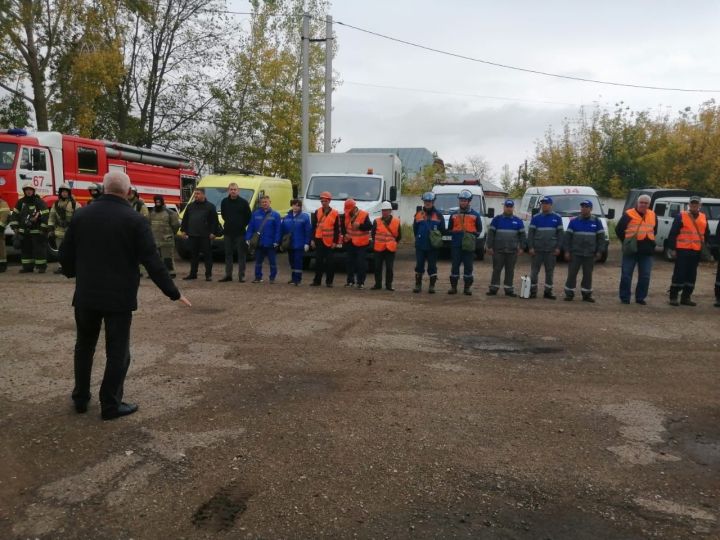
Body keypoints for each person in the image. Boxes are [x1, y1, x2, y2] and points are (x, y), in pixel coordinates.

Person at [59, 170, 191, 420]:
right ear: (128, 192)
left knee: (84, 347)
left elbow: (66, 253)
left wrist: (72, 273)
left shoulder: (82, 215)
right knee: (117, 351)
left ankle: (80, 398)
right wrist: (173, 293)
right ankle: (110, 404)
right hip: (118, 299)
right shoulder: (135, 220)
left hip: (86, 296)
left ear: (103, 188)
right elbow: (152, 261)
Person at [615, 194, 657, 305]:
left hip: (647, 251)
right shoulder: (628, 214)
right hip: (631, 250)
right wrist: (627, 241)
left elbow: (654, 230)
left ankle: (640, 298)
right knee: (626, 275)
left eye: (646, 203)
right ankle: (625, 297)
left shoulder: (653, 215)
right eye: (641, 202)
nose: (643, 204)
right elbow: (619, 229)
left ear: (649, 204)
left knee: (645, 276)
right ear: (637, 203)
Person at [668, 195, 709, 306]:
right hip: (682, 250)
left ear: (700, 205)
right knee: (679, 273)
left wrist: (706, 247)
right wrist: (672, 249)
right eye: (692, 203)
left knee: (692, 274)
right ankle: (673, 296)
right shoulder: (680, 216)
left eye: (696, 203)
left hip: (696, 250)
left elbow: (706, 234)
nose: (694, 205)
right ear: (689, 204)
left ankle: (686, 297)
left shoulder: (704, 217)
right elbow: (673, 233)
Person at [563, 200, 607, 302]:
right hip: (575, 253)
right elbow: (567, 238)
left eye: (586, 207)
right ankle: (569, 294)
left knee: (588, 275)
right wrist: (567, 251)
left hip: (590, 254)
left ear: (591, 209)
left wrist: (600, 251)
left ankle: (587, 295)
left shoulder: (596, 221)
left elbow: (601, 238)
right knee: (572, 274)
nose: (584, 208)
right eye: (582, 206)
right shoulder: (574, 221)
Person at [486, 199, 526, 297]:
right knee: (496, 270)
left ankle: (509, 290)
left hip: (512, 251)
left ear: (513, 208)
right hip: (498, 250)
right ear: (504, 207)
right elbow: (490, 235)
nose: (508, 208)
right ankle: (493, 289)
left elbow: (522, 236)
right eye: (507, 206)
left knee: (510, 271)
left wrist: (522, 248)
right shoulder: (496, 220)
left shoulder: (518, 221)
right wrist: (489, 246)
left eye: (510, 206)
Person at [527, 196, 563, 299]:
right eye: (542, 203)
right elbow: (530, 234)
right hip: (537, 250)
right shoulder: (536, 218)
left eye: (546, 203)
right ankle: (532, 292)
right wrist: (530, 247)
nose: (544, 205)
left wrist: (558, 248)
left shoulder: (557, 218)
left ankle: (548, 292)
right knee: (534, 272)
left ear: (551, 205)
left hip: (551, 250)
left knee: (549, 272)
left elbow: (560, 235)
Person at [447, 189, 482, 295]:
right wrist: (456, 234)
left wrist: (471, 236)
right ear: (459, 201)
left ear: (469, 201)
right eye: (461, 200)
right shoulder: (453, 214)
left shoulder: (476, 215)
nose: (463, 202)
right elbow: (449, 229)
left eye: (465, 200)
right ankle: (454, 288)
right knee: (455, 266)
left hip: (469, 245)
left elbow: (479, 230)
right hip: (456, 245)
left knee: (468, 266)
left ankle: (467, 288)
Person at [180, 187, 219, 281]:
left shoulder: (210, 206)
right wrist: (183, 230)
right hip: (193, 235)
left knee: (207, 256)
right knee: (193, 256)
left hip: (205, 235)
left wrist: (213, 233)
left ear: (203, 195)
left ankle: (208, 275)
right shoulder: (190, 206)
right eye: (195, 194)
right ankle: (193, 274)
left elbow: (214, 221)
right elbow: (185, 219)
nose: (196, 196)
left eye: (198, 194)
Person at [9, 185, 49, 273]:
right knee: (26, 250)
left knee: (39, 250)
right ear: (24, 191)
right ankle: (27, 267)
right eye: (27, 190)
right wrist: (15, 227)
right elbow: (14, 215)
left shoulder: (39, 202)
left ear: (33, 191)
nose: (28, 191)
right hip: (24, 231)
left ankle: (41, 267)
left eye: (30, 190)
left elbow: (46, 214)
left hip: (37, 231)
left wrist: (43, 228)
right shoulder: (21, 202)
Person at [412, 192, 445, 293]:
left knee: (432, 266)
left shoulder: (439, 215)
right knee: (419, 265)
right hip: (420, 245)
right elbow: (415, 229)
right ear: (424, 202)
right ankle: (418, 285)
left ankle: (432, 286)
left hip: (433, 246)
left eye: (429, 201)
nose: (427, 203)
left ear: (433, 202)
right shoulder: (418, 214)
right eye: (426, 201)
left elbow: (442, 230)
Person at [219, 182, 252, 282]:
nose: (233, 191)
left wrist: (241, 225)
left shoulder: (244, 202)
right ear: (228, 190)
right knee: (228, 254)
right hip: (228, 232)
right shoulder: (224, 202)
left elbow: (248, 217)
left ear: (238, 191)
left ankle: (241, 276)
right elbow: (224, 215)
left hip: (240, 233)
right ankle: (228, 275)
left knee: (241, 255)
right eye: (231, 189)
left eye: (235, 189)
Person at [245, 195, 281, 283]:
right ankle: (258, 277)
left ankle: (272, 278)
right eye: (263, 202)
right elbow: (251, 227)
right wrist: (248, 238)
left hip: (271, 243)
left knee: (272, 262)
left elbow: (278, 229)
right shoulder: (255, 214)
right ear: (260, 203)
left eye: (266, 202)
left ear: (270, 202)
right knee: (258, 262)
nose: (264, 203)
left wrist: (277, 241)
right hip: (259, 242)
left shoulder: (276, 215)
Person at [310, 191, 340, 287]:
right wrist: (312, 240)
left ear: (329, 201)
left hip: (330, 242)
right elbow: (314, 227)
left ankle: (329, 282)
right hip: (319, 240)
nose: (323, 203)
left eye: (325, 201)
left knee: (330, 263)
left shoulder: (335, 213)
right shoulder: (317, 211)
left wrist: (335, 242)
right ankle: (317, 281)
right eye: (322, 201)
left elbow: (337, 230)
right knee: (318, 261)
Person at [48, 183, 79, 274]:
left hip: (70, 231)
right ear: (60, 193)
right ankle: (61, 267)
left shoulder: (75, 204)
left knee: (72, 250)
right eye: (62, 192)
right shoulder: (56, 204)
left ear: (69, 193)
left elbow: (79, 217)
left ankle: (73, 266)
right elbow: (51, 217)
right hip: (59, 232)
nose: (64, 193)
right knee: (60, 251)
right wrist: (50, 229)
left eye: (66, 192)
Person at [342, 198, 372, 288]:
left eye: (349, 209)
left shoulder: (364, 214)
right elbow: (343, 227)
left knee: (361, 263)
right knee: (349, 262)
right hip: (350, 242)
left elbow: (369, 226)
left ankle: (360, 282)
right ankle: (350, 281)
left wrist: (360, 226)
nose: (348, 212)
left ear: (354, 207)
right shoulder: (345, 215)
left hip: (361, 243)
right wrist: (344, 234)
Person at [371, 201, 401, 291]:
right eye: (383, 210)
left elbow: (399, 236)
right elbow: (373, 234)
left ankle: (389, 285)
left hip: (390, 249)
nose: (384, 212)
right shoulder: (376, 221)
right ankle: (378, 284)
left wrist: (393, 243)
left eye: (386, 210)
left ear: (390, 211)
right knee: (377, 267)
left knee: (389, 268)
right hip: (379, 248)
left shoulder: (396, 221)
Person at [280, 199, 312, 286]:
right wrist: (281, 243)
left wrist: (306, 243)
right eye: (294, 205)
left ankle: (298, 279)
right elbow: (282, 231)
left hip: (299, 244)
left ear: (300, 207)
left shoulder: (305, 217)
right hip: (290, 244)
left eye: (297, 205)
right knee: (291, 261)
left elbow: (308, 231)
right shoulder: (286, 217)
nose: (295, 207)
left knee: (298, 262)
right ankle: (293, 278)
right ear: (291, 205)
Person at [149, 195, 181, 278]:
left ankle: (171, 273)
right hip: (155, 239)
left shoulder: (170, 213)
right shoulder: (152, 212)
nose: (157, 202)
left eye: (159, 201)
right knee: (156, 258)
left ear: (162, 201)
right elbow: (149, 224)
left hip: (167, 240)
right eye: (156, 201)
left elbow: (176, 225)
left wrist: (171, 234)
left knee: (167, 257)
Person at [0, 194, 10, 272]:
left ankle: (2, 265)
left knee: (1, 247)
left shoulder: (2, 203)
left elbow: (5, 216)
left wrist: (1, 227)